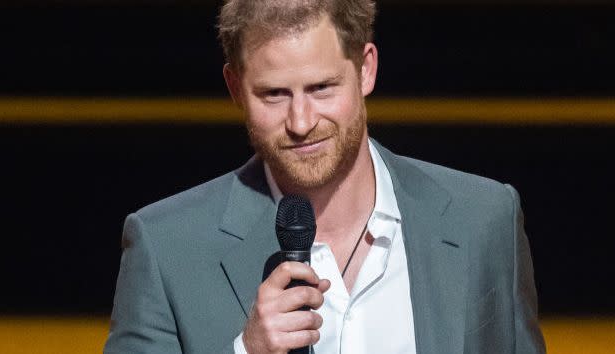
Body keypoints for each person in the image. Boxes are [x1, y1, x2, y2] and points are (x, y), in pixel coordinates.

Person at [104, 0, 546, 353]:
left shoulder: (484, 220)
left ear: (366, 69)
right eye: (274, 94)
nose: (301, 121)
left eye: (321, 88)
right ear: (235, 89)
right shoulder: (166, 247)